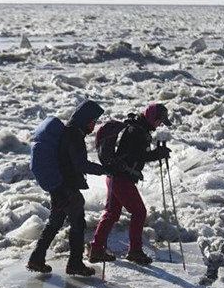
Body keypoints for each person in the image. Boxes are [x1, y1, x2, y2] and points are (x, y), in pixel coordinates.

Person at [26, 100, 105, 277]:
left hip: (58, 186)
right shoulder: (74, 135)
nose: (94, 125)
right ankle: (75, 264)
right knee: (78, 223)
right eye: (93, 121)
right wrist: (104, 170)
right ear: (86, 120)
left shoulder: (69, 132)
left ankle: (36, 258)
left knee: (55, 222)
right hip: (67, 186)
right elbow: (80, 164)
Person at [88, 103, 172, 265]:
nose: (159, 125)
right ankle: (134, 251)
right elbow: (136, 155)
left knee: (111, 214)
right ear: (151, 118)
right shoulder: (136, 131)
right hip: (121, 179)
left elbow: (134, 155)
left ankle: (97, 249)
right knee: (139, 212)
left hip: (115, 177)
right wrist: (156, 154)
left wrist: (156, 154)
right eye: (159, 121)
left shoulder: (138, 129)